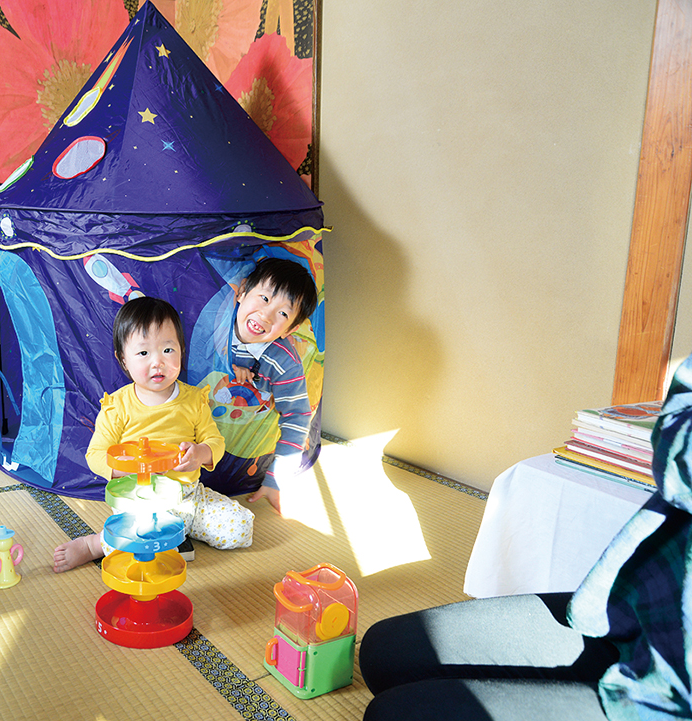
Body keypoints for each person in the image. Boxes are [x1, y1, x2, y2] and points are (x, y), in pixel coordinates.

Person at [357, 352, 692, 721]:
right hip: (645, 615)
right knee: (383, 651)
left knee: (393, 714)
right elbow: (675, 444)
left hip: (677, 693)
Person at [53, 296, 254, 573]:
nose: (158, 362)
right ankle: (94, 544)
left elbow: (215, 442)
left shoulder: (194, 400)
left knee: (241, 528)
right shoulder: (117, 406)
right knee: (136, 542)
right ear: (123, 360)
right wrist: (126, 468)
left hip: (189, 497)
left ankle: (182, 531)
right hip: (142, 502)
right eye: (143, 353)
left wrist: (200, 453)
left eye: (168, 350)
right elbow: (95, 455)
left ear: (182, 351)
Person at [225, 257, 319, 513]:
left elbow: (297, 416)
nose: (265, 315)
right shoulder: (215, 322)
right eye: (264, 298)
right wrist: (230, 369)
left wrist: (276, 478)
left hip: (243, 442)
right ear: (242, 292)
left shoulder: (284, 363)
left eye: (283, 313)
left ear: (291, 329)